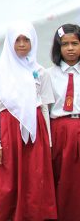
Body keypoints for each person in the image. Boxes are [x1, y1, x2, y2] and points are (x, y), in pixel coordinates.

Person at [0, 21, 57, 221]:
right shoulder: (0, 72)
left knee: (34, 179)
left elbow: (44, 107)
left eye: (26, 39)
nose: (22, 44)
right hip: (9, 132)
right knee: (6, 181)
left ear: (33, 42)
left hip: (35, 132)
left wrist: (48, 142)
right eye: (17, 39)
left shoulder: (40, 72)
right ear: (10, 42)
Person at [43, 24, 80, 221]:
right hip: (59, 129)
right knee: (62, 177)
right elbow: (45, 108)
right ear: (58, 47)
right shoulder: (49, 74)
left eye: (75, 43)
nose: (70, 48)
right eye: (65, 44)